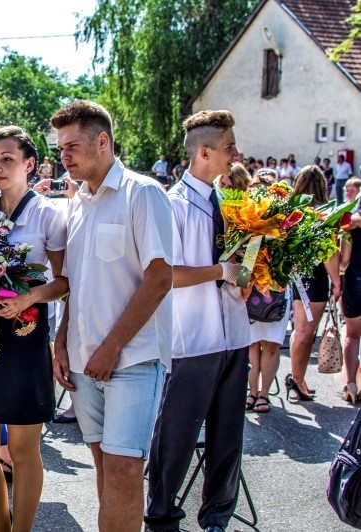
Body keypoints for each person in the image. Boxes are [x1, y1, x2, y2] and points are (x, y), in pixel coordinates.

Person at [50, 100, 173, 531]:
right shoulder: (77, 203)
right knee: (104, 467)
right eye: (60, 148)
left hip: (132, 359)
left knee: (123, 470)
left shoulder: (144, 193)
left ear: (102, 141)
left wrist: (111, 347)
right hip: (83, 362)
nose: (64, 156)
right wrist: (61, 341)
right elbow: (74, 285)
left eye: (73, 146)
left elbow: (159, 279)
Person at [145, 110, 251, 532]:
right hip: (192, 341)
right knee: (176, 438)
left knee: (228, 438)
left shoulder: (230, 204)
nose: (235, 155)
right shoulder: (172, 206)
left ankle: (217, 519)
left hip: (234, 335)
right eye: (229, 148)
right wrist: (218, 272)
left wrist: (254, 272)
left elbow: (239, 269)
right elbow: (164, 274)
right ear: (204, 152)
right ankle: (162, 516)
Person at [0, 126, 68, 532]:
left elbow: (64, 282)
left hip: (25, 337)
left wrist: (28, 298)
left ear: (29, 164)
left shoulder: (48, 213)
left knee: (23, 450)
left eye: (7, 159)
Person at [287, 165, 342, 401]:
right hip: (315, 278)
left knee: (301, 331)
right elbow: (328, 253)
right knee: (305, 333)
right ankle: (296, 379)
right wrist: (337, 282)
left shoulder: (293, 211)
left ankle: (297, 377)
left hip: (297, 277)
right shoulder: (323, 215)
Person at [246, 173, 290, 414]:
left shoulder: (285, 223)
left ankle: (264, 394)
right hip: (251, 289)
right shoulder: (246, 221)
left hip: (276, 288)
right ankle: (252, 393)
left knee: (271, 345)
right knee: (252, 344)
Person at [341, 201, 361, 403]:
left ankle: (351, 384)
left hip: (355, 282)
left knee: (352, 336)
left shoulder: (350, 222)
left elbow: (344, 260)